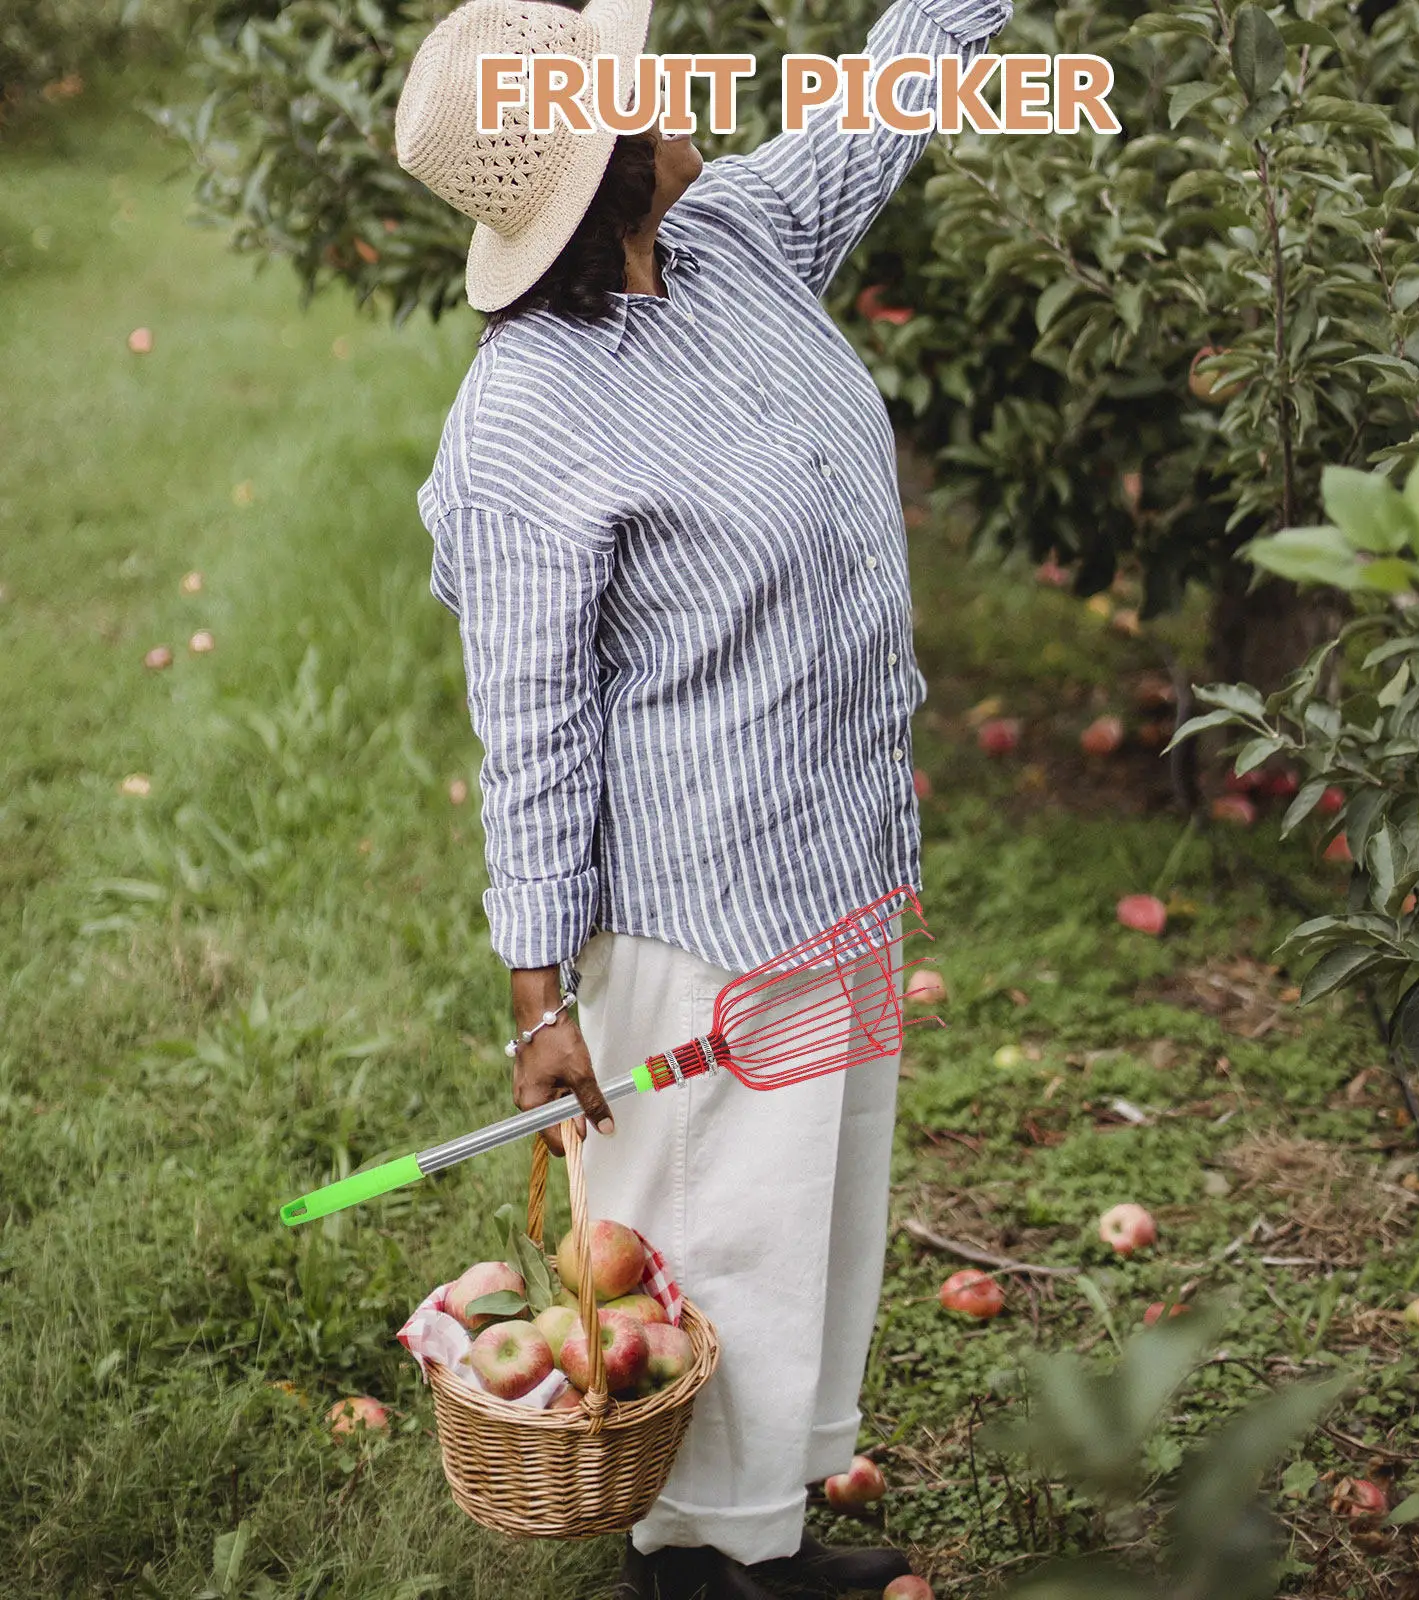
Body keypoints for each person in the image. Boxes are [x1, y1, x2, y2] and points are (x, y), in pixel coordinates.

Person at [394, 0, 1010, 1590]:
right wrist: (541, 994)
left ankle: (760, 1534)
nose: (672, 84)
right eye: (632, 83)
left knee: (809, 1212)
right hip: (698, 913)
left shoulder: (727, 233)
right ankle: (687, 1563)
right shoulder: (527, 417)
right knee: (716, 1233)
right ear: (595, 160)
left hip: (833, 850)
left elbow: (874, 110)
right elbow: (531, 726)